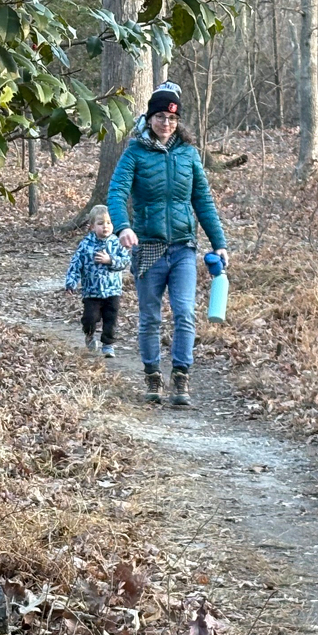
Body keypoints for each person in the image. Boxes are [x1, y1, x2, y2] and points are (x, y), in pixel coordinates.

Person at [107, 86, 231, 407]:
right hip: (147, 247)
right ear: (150, 118)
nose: (166, 123)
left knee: (185, 312)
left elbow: (202, 199)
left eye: (172, 118)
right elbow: (117, 193)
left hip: (183, 247)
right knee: (150, 316)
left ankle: (180, 375)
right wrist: (123, 227)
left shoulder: (188, 154)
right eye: (160, 116)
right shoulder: (134, 153)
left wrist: (219, 243)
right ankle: (152, 375)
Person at [63, 204, 131, 358]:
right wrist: (71, 282)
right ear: (92, 227)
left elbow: (125, 261)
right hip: (91, 291)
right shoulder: (86, 245)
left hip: (112, 290)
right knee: (90, 318)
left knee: (111, 318)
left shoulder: (116, 242)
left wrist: (110, 260)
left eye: (108, 223)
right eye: (100, 224)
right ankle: (89, 334)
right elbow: (75, 264)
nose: (105, 227)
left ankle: (108, 345)